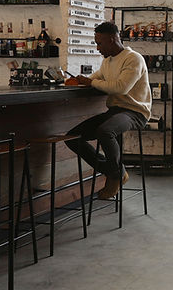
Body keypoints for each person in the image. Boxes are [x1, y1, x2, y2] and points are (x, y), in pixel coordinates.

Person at [65, 21, 152, 200]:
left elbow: (121, 87)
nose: (97, 48)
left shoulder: (133, 58)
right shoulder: (107, 62)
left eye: (99, 43)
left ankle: (113, 178)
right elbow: (94, 79)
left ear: (112, 40)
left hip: (135, 112)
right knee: (72, 138)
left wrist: (90, 82)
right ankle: (117, 172)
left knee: (105, 131)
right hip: (115, 111)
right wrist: (77, 81)